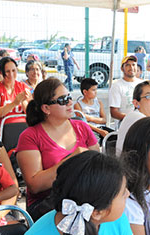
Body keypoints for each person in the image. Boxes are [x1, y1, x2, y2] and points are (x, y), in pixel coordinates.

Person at [16, 78, 99, 221]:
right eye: (62, 100)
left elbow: (98, 166)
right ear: (46, 108)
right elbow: (35, 185)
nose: (69, 102)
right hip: (47, 205)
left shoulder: (82, 127)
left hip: (82, 197)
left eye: (69, 97)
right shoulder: (30, 136)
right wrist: (71, 161)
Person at [0, 57, 32, 125]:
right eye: (7, 71)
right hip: (5, 127)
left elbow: (31, 114)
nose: (11, 74)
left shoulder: (23, 87)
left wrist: (23, 101)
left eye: (13, 70)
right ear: (0, 72)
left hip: (23, 125)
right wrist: (14, 103)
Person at [74, 77, 113, 141]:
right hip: (89, 130)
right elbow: (84, 123)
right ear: (85, 92)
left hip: (101, 127)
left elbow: (104, 120)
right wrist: (100, 131)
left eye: (96, 89)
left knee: (116, 137)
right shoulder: (78, 105)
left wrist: (89, 118)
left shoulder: (99, 103)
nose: (96, 92)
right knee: (96, 140)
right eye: (93, 90)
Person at [109, 55, 142, 127]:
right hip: (125, 125)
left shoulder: (142, 84)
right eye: (127, 65)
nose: (131, 67)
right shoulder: (117, 86)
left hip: (142, 124)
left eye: (133, 65)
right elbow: (114, 112)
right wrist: (132, 119)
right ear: (122, 68)